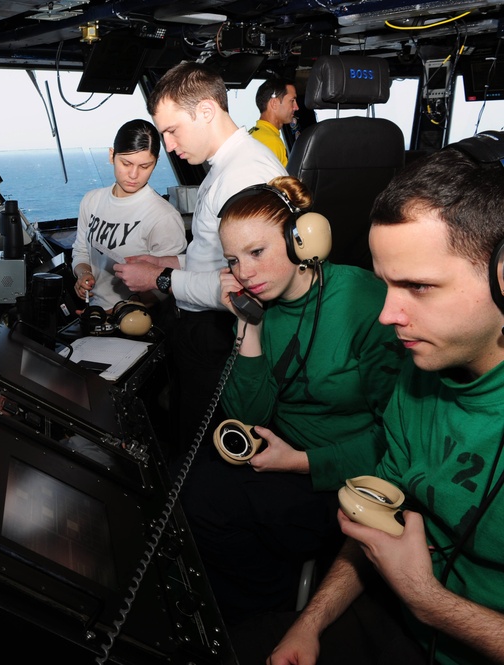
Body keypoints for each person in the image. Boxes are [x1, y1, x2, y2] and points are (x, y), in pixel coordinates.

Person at [264, 132, 504, 665]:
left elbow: (417, 588)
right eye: (385, 285)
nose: (386, 315)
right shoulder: (417, 377)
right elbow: (381, 518)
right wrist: (311, 624)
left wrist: (428, 600)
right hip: (399, 621)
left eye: (418, 287)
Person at [179, 175, 405, 625]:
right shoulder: (258, 304)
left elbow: (401, 444)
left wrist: (301, 462)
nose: (244, 273)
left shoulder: (366, 303)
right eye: (233, 260)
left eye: (257, 252)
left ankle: (265, 622)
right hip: (280, 451)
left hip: (351, 473)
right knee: (187, 488)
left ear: (301, 241)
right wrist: (251, 328)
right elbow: (248, 415)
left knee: (209, 507)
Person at [112, 62, 286, 446]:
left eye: (172, 131)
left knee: (201, 445)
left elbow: (243, 285)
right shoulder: (224, 168)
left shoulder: (244, 176)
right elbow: (217, 259)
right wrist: (166, 262)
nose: (170, 146)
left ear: (206, 111)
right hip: (201, 331)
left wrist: (156, 279)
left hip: (218, 335)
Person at [71, 119, 187, 311]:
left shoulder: (163, 217)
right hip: (95, 311)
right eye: (126, 163)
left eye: (144, 166)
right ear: (111, 156)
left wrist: (116, 313)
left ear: (155, 163)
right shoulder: (91, 201)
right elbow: (81, 250)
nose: (133, 175)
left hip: (137, 318)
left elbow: (167, 286)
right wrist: (83, 274)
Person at [248, 78, 299, 167]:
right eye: (292, 101)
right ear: (274, 103)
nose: (296, 107)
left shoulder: (253, 135)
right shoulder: (272, 142)